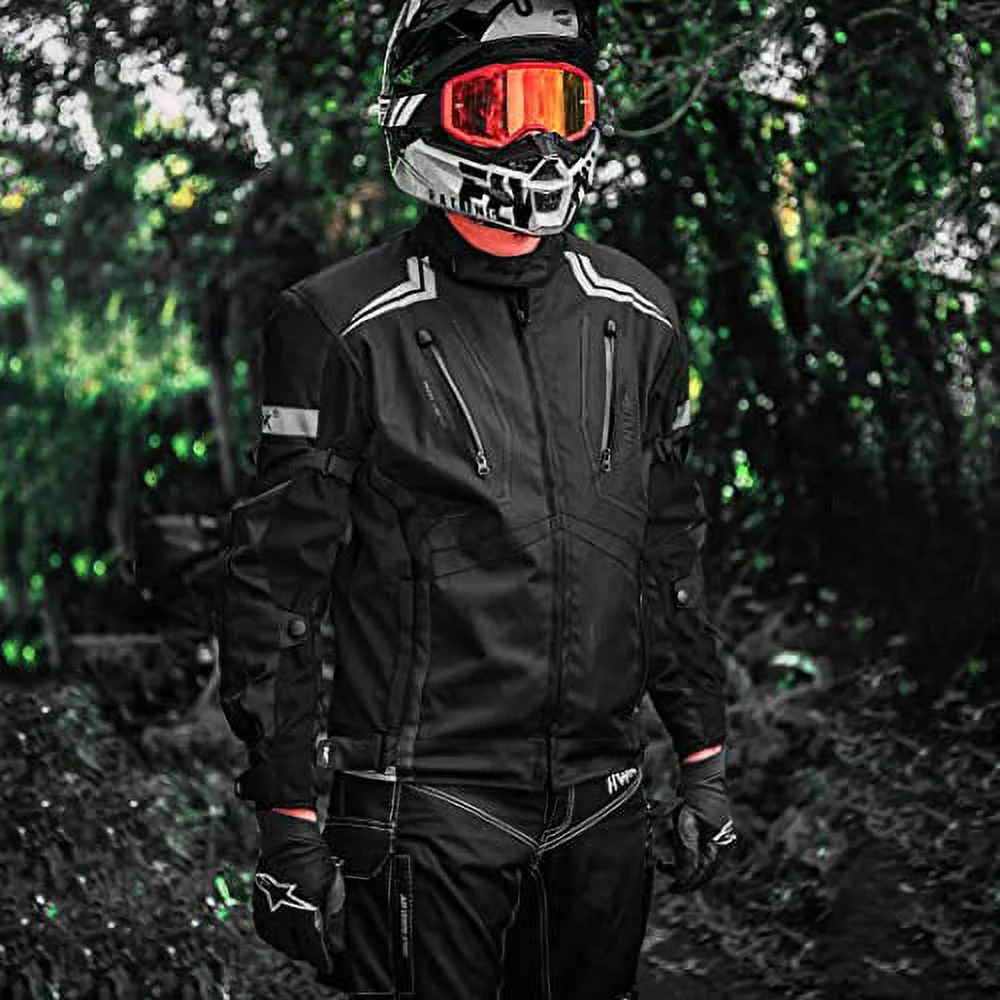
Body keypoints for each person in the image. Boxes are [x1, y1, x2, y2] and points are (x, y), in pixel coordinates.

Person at [217, 2, 736, 997]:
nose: (539, 140)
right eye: (497, 107)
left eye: (560, 104)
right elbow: (275, 587)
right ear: (424, 117)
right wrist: (287, 821)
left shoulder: (640, 311)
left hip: (603, 796)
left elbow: (666, 553)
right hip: (425, 804)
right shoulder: (337, 323)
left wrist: (703, 758)